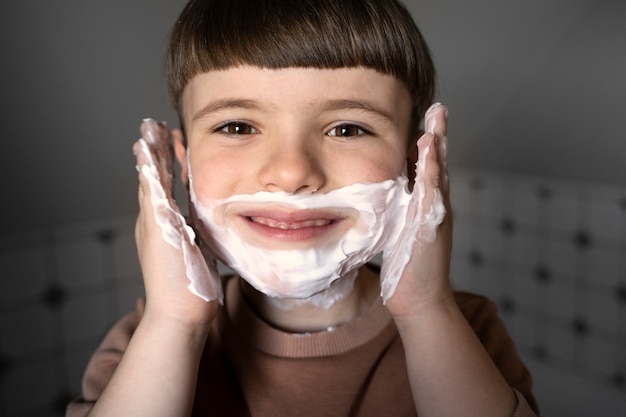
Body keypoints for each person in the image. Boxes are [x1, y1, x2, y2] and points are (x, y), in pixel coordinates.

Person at [67, 0, 539, 416]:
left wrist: (425, 312)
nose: (292, 173)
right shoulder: (148, 342)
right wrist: (174, 324)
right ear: (180, 164)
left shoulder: (466, 331)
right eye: (237, 127)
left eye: (347, 129)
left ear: (414, 165)